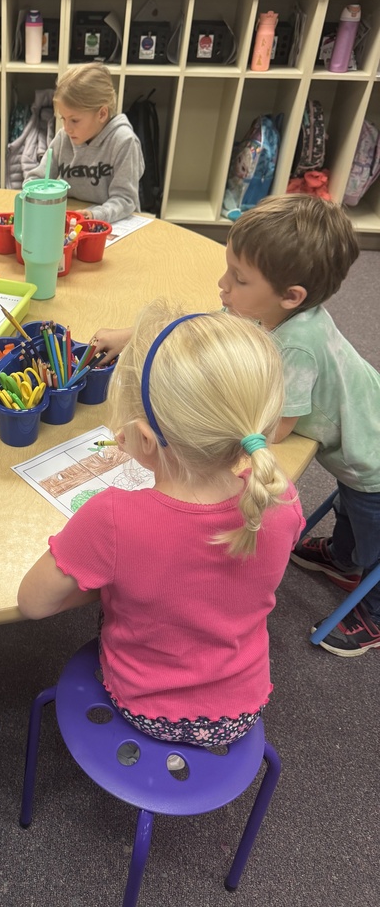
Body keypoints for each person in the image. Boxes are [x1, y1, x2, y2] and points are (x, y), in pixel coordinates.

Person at [19, 303, 303, 747]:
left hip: (147, 706)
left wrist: (113, 579)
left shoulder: (112, 517)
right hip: (243, 706)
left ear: (144, 440)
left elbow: (33, 603)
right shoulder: (279, 495)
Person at [218, 194, 380, 658]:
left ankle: (373, 615)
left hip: (371, 465)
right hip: (360, 441)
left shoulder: (297, 343)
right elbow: (231, 327)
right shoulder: (286, 311)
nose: (223, 285)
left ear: (291, 296)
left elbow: (279, 429)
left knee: (374, 536)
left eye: (239, 279)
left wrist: (221, 421)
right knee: (350, 511)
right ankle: (344, 559)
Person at [24, 63, 144, 223]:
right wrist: (32, 189)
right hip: (73, 220)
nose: (66, 128)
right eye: (63, 119)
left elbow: (125, 199)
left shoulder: (124, 142)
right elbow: (38, 177)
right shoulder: (64, 137)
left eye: (74, 120)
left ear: (102, 114)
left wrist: (96, 215)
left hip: (114, 222)